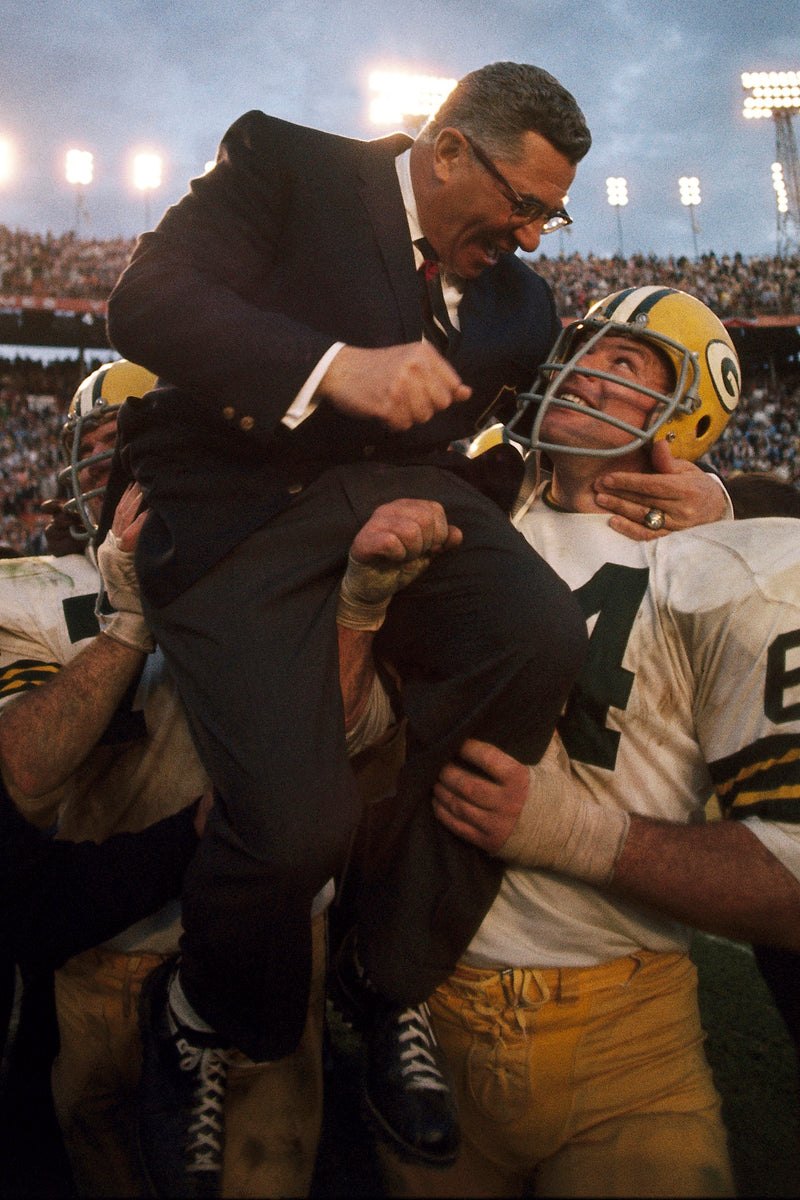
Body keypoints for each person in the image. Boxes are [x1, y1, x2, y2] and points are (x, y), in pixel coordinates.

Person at [102, 61, 600, 1194]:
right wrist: (333, 371)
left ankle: (386, 976)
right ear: (445, 152)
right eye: (518, 202)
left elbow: (480, 438)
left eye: (547, 214)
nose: (527, 235)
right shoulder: (287, 162)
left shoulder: (522, 307)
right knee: (292, 827)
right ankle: (199, 1008)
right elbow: (150, 301)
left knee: (535, 636)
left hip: (397, 499)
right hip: (236, 504)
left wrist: (690, 496)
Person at [339, 286, 800, 1196]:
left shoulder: (733, 556)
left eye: (624, 363)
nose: (584, 367)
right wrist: (359, 610)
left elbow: (792, 877)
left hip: (630, 1035)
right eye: (585, 347)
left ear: (687, 414)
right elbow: (348, 739)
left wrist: (574, 832)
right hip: (431, 1010)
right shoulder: (461, 512)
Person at [0, 359, 366, 1199]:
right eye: (105, 452)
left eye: (160, 448)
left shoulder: (291, 573)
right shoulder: (28, 591)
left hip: (267, 944)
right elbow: (23, 775)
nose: (132, 472)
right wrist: (128, 623)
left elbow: (365, 735)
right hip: (104, 952)